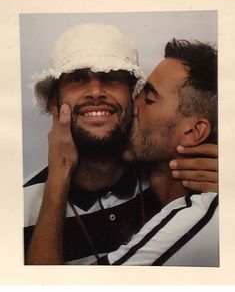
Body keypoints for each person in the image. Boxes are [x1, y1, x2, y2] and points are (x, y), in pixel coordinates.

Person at [24, 24, 218, 265]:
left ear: (130, 95)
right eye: (77, 78)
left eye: (111, 77)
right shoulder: (17, 206)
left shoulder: (176, 181)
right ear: (54, 102)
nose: (95, 91)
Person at [98, 39, 218, 266]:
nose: (132, 105)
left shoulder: (194, 217)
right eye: (138, 93)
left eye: (150, 99)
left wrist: (59, 171)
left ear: (193, 131)